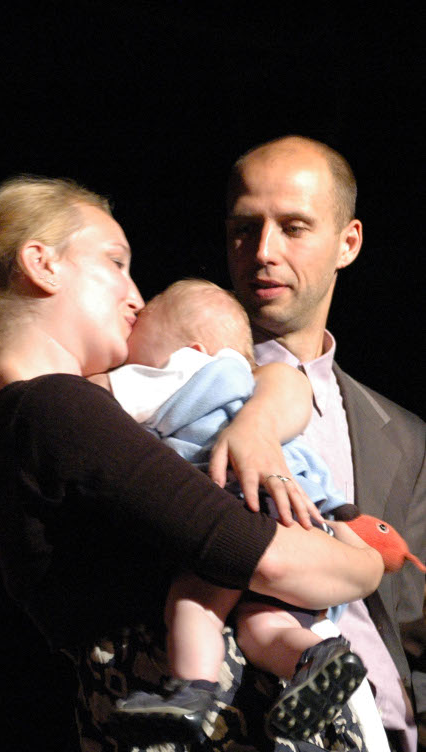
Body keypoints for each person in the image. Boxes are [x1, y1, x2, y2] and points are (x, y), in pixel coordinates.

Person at [0, 175, 384, 752]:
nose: (136, 297)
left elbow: (262, 376)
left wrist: (257, 423)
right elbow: (263, 557)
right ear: (43, 264)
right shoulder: (56, 406)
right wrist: (366, 564)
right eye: (115, 262)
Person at [226, 135, 426, 752]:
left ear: (349, 243)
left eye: (293, 227)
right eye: (245, 228)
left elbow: (413, 622)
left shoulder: (401, 433)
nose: (264, 251)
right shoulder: (182, 384)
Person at [103, 278, 369, 741]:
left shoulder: (184, 371)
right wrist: (335, 512)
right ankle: (313, 657)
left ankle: (190, 692)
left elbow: (95, 396)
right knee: (263, 623)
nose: (132, 357)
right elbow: (314, 474)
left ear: (192, 350)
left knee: (194, 602)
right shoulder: (254, 394)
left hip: (242, 508)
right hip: (304, 521)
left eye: (140, 341)